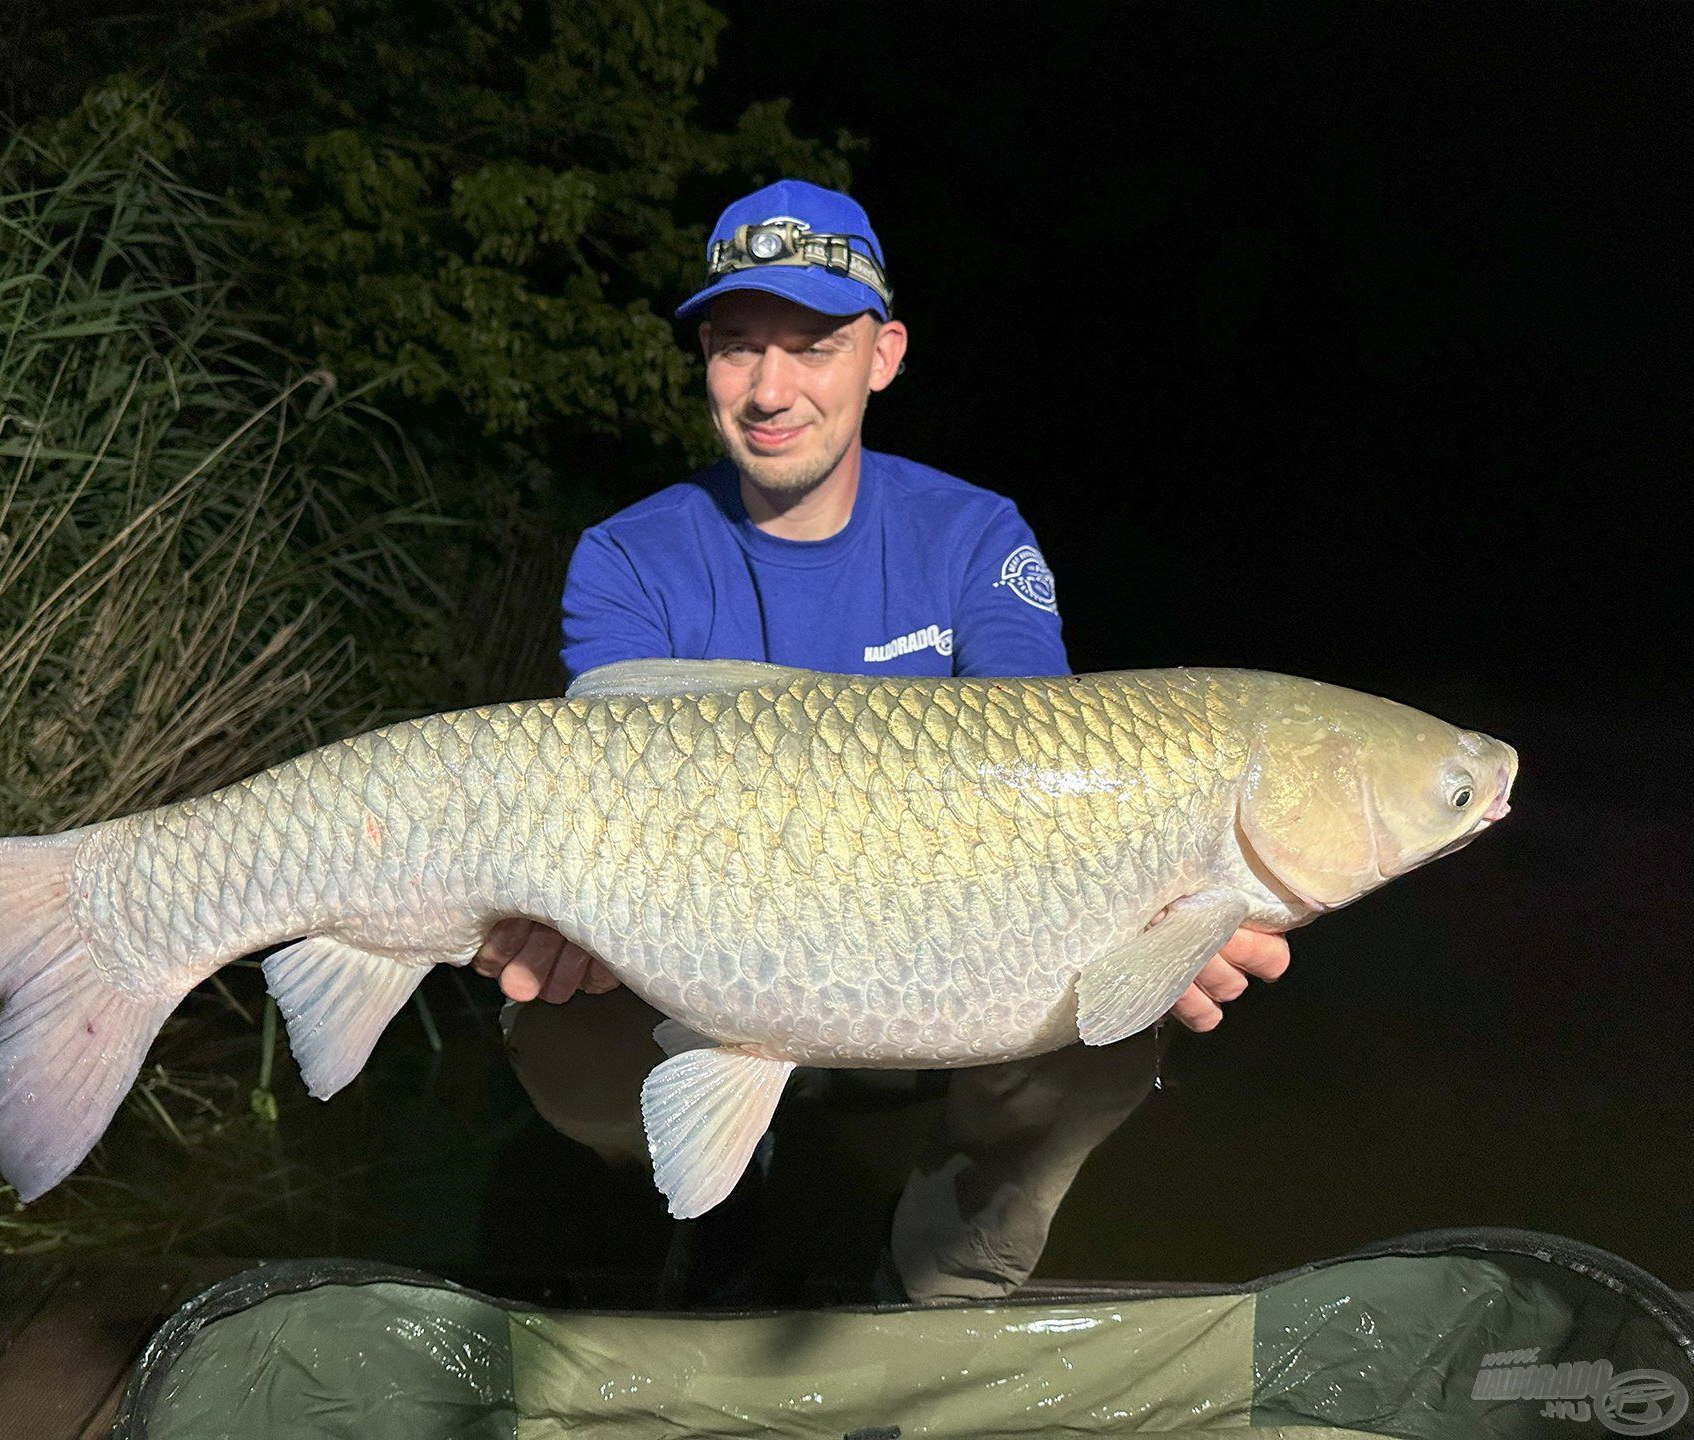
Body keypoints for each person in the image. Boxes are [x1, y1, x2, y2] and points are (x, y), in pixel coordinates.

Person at [475, 179, 1292, 1302]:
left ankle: (945, 1271)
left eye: (812, 346)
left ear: (884, 353)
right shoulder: (628, 556)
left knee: (1121, 1022)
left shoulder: (972, 536)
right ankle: (703, 1181)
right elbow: (600, 805)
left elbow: (1041, 771)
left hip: (935, 988)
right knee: (557, 1029)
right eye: (734, 347)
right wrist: (548, 912)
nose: (769, 391)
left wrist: (1167, 911)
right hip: (700, 972)